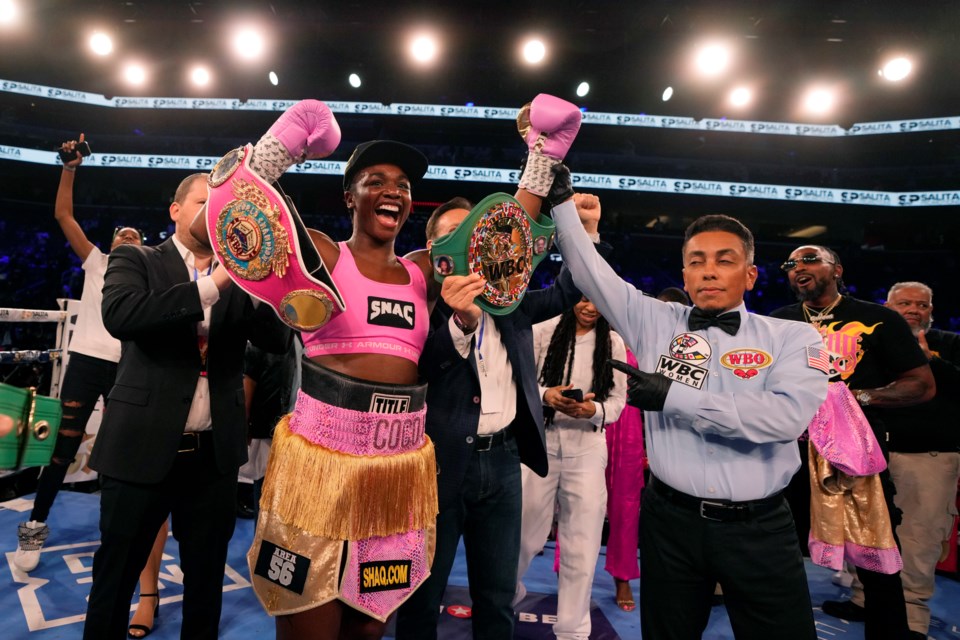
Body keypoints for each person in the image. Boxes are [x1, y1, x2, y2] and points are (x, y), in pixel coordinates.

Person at [192, 95, 579, 639]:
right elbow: (240, 219)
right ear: (348, 195)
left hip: (396, 472)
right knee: (310, 625)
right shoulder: (326, 255)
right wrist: (288, 138)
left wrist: (543, 158)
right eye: (375, 179)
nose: (393, 190)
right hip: (319, 467)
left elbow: (501, 243)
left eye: (402, 184)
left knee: (369, 629)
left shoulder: (425, 272)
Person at [549, 186, 829, 640]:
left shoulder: (794, 338)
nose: (709, 272)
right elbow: (588, 272)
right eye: (696, 261)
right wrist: (561, 202)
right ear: (684, 271)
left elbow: (785, 420)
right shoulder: (654, 320)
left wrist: (673, 397)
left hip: (759, 528)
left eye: (724, 259)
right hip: (670, 524)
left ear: (751, 274)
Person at [81, 172, 291, 640]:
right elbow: (122, 315)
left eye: (219, 203)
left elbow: (277, 340)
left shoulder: (241, 273)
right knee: (114, 579)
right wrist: (214, 284)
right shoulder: (135, 258)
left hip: (213, 457)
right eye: (202, 201)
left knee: (205, 584)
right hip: (140, 449)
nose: (212, 211)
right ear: (175, 210)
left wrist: (262, 280)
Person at [394, 189, 598, 639]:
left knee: (498, 597)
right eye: (454, 234)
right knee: (422, 597)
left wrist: (584, 233)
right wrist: (460, 321)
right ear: (435, 250)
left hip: (504, 463)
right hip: (437, 465)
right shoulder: (415, 305)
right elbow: (418, 370)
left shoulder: (514, 302)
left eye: (475, 232)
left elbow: (570, 289)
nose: (468, 242)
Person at [770, 246, 935, 640]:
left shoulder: (878, 319)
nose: (799, 268)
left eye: (809, 259)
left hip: (855, 457)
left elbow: (921, 384)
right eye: (791, 264)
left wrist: (854, 397)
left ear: (837, 269)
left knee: (877, 559)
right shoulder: (776, 322)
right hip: (786, 455)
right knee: (774, 556)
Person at [14, 135, 143, 573]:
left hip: (129, 368)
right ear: (111, 243)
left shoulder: (151, 276)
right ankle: (34, 524)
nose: (127, 234)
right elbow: (63, 215)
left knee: (123, 456)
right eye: (121, 233)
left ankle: (118, 537)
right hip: (87, 362)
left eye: (135, 234)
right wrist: (70, 168)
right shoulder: (98, 263)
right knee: (62, 450)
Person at [514, 297, 627, 639]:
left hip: (588, 446)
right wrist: (547, 395)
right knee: (523, 532)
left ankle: (573, 630)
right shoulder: (542, 331)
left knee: (582, 541)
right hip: (541, 442)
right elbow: (520, 382)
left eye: (596, 301)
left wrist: (592, 411)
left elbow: (618, 401)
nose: (589, 307)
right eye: (581, 299)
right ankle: (505, 596)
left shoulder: (614, 341)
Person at [859, 281, 959, 639]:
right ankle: (863, 601)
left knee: (919, 537)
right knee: (866, 533)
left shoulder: (950, 342)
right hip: (874, 453)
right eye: (905, 303)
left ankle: (912, 618)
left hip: (929, 457)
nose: (914, 310)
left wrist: (931, 360)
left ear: (932, 310)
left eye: (922, 305)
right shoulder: (872, 344)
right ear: (887, 306)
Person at [603, 346, 644, 613]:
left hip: (629, 425)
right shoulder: (585, 322)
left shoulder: (645, 332)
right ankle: (567, 569)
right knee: (573, 499)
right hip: (587, 417)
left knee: (626, 508)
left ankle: (623, 576)